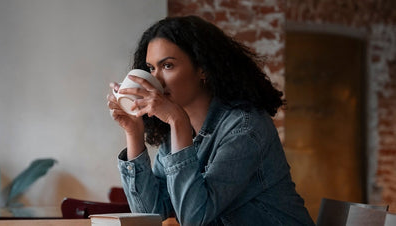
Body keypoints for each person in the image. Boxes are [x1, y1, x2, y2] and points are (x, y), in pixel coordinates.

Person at [106, 15, 314, 226]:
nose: (156, 79)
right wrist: (133, 133)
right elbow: (150, 214)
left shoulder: (245, 127)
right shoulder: (176, 135)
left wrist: (178, 121)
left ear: (203, 69)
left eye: (167, 66)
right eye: (151, 68)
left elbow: (194, 218)